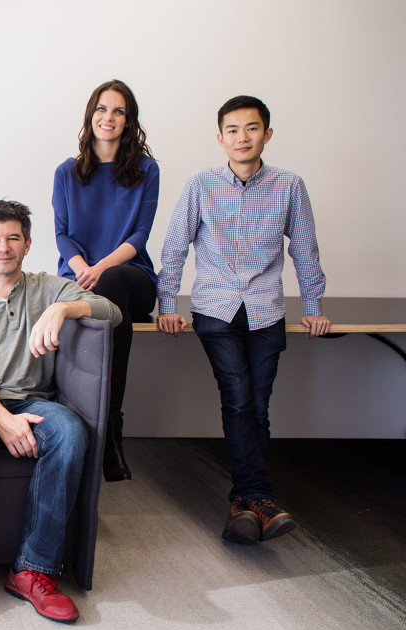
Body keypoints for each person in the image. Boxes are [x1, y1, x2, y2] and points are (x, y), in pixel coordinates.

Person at [0, 199, 121, 624]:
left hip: (36, 399)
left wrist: (63, 308)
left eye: (13, 238)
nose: (4, 247)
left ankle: (32, 570)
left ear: (28, 243)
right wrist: (3, 419)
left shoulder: (49, 288)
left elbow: (112, 311)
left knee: (72, 432)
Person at [157, 96, 330, 545]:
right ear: (220, 138)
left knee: (257, 403)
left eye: (251, 129)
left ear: (267, 134)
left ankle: (244, 504)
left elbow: (305, 249)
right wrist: (167, 306)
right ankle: (260, 496)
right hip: (214, 307)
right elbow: (175, 247)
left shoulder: (290, 185)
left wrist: (313, 307)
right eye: (232, 130)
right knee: (237, 397)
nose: (242, 137)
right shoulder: (200, 184)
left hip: (267, 308)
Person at [52, 79, 159, 481]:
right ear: (90, 115)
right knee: (97, 303)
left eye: (118, 111)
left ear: (128, 121)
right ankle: (101, 431)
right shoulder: (67, 171)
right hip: (79, 277)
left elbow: (139, 236)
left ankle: (109, 429)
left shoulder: (147, 170)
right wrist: (82, 266)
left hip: (132, 278)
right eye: (101, 109)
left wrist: (100, 269)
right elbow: (62, 233)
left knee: (112, 282)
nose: (108, 117)